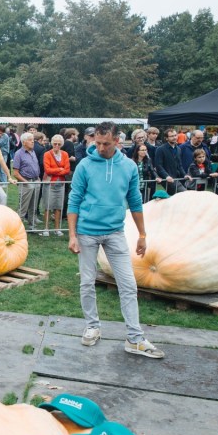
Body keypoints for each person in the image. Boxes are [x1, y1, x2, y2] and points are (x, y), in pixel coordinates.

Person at [67, 121, 163, 359]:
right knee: (87, 282)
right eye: (97, 143)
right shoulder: (85, 165)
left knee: (129, 285)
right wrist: (72, 235)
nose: (100, 147)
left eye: (105, 143)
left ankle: (135, 338)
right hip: (86, 231)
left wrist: (142, 235)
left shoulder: (128, 166)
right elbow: (74, 200)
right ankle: (92, 326)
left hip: (115, 232)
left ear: (117, 141)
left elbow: (135, 200)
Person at [42, 134, 70, 237]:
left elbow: (67, 170)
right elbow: (47, 170)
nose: (57, 145)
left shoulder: (65, 154)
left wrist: (57, 171)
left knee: (59, 207)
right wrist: (60, 169)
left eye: (59, 144)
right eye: (55, 143)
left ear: (62, 144)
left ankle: (57, 228)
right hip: (50, 183)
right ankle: (46, 228)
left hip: (61, 184)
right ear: (52, 143)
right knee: (48, 206)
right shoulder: (47, 154)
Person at [13, 132, 42, 231]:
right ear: (24, 142)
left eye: (33, 139)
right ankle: (17, 228)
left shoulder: (33, 152)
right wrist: (26, 182)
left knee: (33, 206)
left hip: (35, 181)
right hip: (26, 183)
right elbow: (15, 173)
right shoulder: (18, 154)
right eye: (30, 139)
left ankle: (32, 226)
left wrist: (37, 178)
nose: (33, 141)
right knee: (23, 207)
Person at [152, 128, 187, 195]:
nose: (174, 137)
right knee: (184, 194)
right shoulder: (160, 149)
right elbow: (159, 165)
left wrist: (185, 175)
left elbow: (179, 165)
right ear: (166, 138)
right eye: (171, 136)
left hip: (178, 178)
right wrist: (166, 176)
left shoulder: (178, 149)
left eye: (175, 135)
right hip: (168, 180)